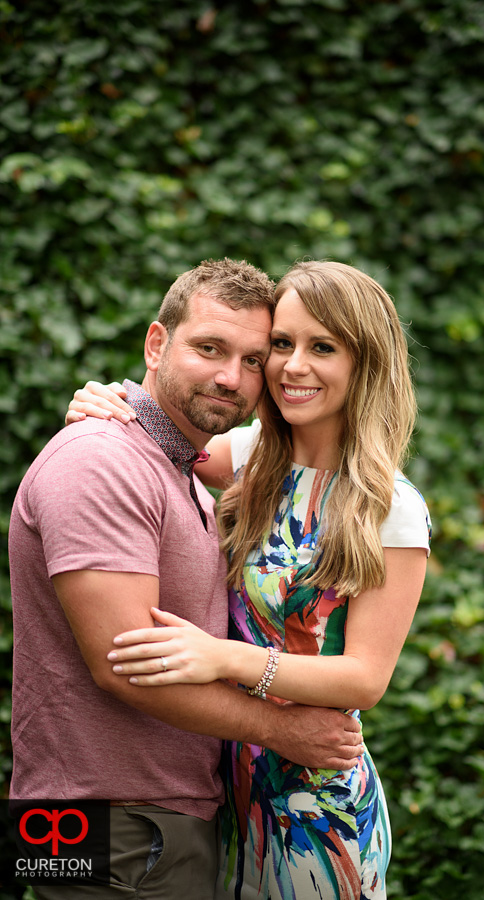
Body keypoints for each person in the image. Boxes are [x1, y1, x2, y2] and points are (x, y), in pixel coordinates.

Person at [66, 260, 432, 899]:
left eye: (323, 347)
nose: (293, 366)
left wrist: (221, 658)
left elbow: (365, 678)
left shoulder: (388, 506)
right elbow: (156, 434)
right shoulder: (252, 455)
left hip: (312, 801)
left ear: (365, 364)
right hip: (223, 781)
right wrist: (105, 399)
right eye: (282, 345)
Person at [9, 258, 362, 900]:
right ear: (155, 342)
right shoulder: (102, 460)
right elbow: (123, 665)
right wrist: (282, 729)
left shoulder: (177, 464)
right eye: (209, 348)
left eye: (254, 359)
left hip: (149, 824)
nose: (231, 377)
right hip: (112, 827)